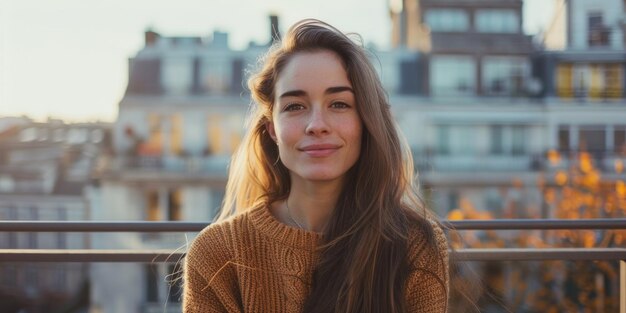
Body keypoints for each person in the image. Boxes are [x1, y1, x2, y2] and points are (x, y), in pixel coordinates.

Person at [183, 19, 449, 313]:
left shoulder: (415, 245)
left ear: (366, 121)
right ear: (273, 130)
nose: (317, 125)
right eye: (295, 106)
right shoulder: (217, 253)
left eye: (339, 104)